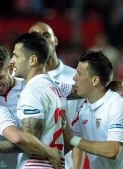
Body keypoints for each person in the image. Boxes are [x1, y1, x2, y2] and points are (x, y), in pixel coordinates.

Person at [62, 51, 123, 169]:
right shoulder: (84, 108)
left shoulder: (118, 105)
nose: (74, 78)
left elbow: (112, 150)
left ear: (95, 80)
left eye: (79, 74)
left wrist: (73, 139)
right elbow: (69, 143)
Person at [29, 21, 86, 169]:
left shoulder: (74, 77)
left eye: (46, 35)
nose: (41, 40)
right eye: (36, 37)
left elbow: (79, 130)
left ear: (55, 40)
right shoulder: (21, 80)